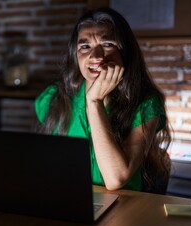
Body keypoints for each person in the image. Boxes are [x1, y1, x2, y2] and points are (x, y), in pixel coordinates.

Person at [34, 7, 172, 192]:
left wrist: (94, 102)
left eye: (107, 44)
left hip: (121, 208)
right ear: (76, 56)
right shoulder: (54, 97)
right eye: (85, 46)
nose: (96, 57)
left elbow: (116, 179)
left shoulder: (146, 103)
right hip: (66, 199)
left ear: (125, 52)